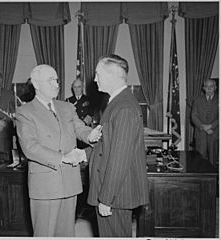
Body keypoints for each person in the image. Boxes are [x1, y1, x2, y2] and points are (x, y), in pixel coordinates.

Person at [15, 64, 102, 237]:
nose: (57, 84)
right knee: (45, 233)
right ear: (37, 84)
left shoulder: (67, 107)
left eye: (57, 79)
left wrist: (91, 134)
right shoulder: (25, 112)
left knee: (66, 232)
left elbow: (79, 127)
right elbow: (30, 148)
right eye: (51, 80)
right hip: (46, 183)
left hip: (70, 181)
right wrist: (63, 158)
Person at [87, 54, 149, 237]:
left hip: (116, 194)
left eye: (98, 74)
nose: (95, 79)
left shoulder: (124, 107)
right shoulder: (116, 102)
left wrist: (106, 198)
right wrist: (83, 154)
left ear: (112, 75)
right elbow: (107, 146)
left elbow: (119, 158)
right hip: (114, 191)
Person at [191, 79, 219, 168]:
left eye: (211, 86)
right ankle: (201, 180)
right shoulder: (197, 99)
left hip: (214, 133)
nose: (209, 88)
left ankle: (214, 181)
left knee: (213, 160)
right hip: (200, 133)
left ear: (215, 87)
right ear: (203, 88)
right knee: (200, 159)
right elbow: (194, 116)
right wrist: (203, 127)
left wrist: (211, 126)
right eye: (207, 86)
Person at [66, 78, 93, 150]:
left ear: (82, 87)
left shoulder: (89, 99)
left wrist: (81, 126)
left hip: (85, 129)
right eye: (75, 87)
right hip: (73, 131)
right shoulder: (68, 101)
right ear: (72, 88)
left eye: (79, 87)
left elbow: (90, 115)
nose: (77, 89)